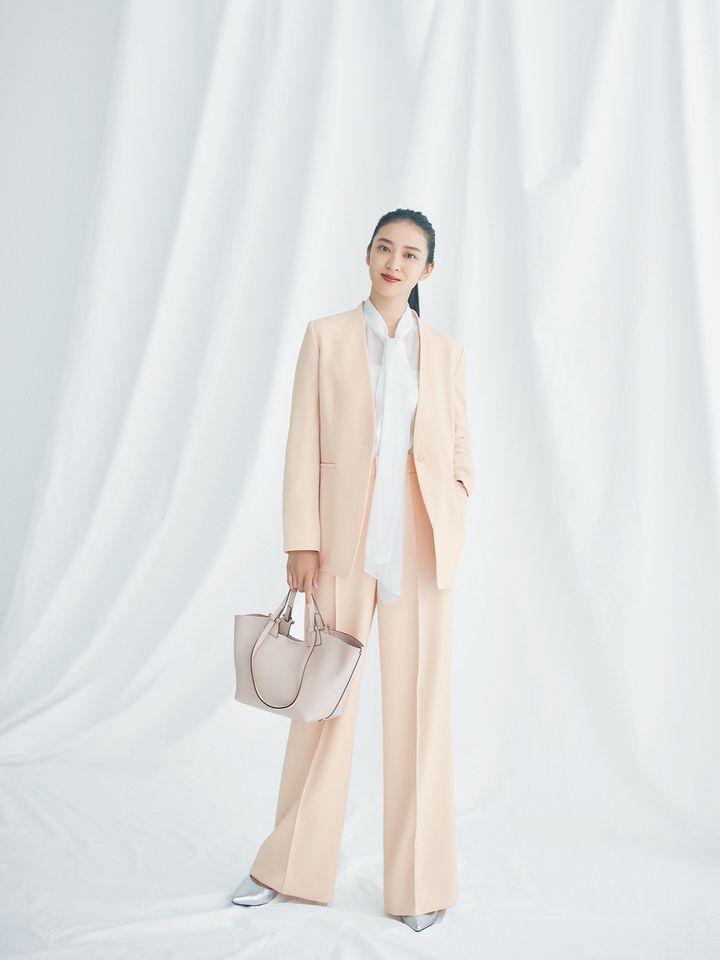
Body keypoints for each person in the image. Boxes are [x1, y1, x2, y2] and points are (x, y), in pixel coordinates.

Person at [231, 209, 475, 932]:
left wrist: (456, 500)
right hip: (342, 537)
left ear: (428, 270)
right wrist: (301, 540)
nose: (395, 262)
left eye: (411, 254)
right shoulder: (327, 336)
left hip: (422, 536)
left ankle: (421, 885)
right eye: (385, 248)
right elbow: (301, 440)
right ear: (367, 255)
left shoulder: (447, 353)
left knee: (422, 710)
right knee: (324, 703)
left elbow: (460, 444)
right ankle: (288, 868)